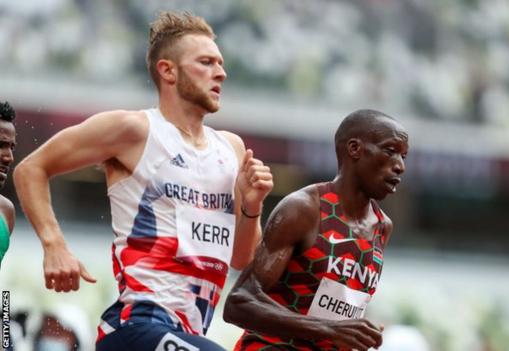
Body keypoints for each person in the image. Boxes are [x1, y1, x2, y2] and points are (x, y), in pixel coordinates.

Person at [14, 11, 273, 351]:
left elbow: (241, 259)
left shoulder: (231, 148)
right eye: (206, 62)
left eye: (221, 63)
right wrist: (54, 245)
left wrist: (253, 206)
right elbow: (30, 169)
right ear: (168, 70)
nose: (221, 72)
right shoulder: (136, 130)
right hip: (135, 326)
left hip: (189, 335)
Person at [224, 109, 409, 351]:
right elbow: (239, 303)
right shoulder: (304, 210)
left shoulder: (382, 226)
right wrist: (328, 328)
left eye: (404, 156)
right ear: (354, 149)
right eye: (391, 151)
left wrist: (357, 333)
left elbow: (338, 309)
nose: (400, 166)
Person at [0, 101, 16, 267]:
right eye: (1, 145)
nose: (9, 157)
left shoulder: (6, 211)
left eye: (12, 147)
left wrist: (6, 295)